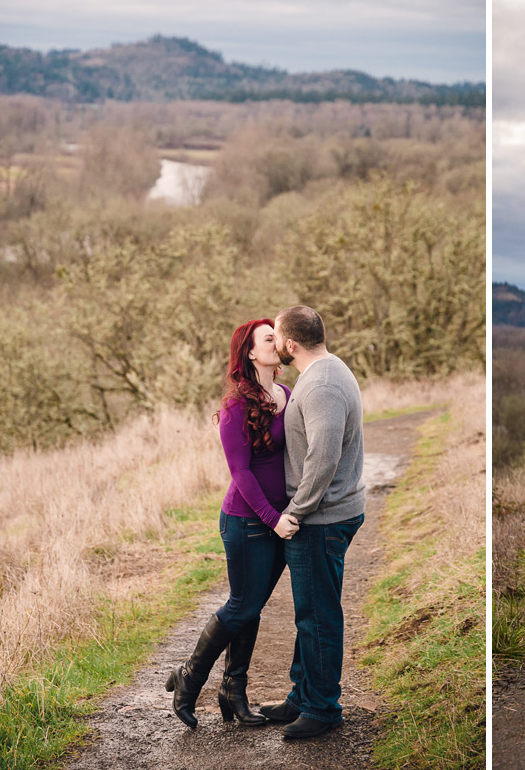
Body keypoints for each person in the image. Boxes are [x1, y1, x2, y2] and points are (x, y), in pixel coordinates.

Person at [165, 319, 293, 728]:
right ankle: (190, 677)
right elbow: (241, 473)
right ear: (251, 353)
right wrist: (273, 520)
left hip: (277, 521)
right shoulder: (236, 405)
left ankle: (233, 690)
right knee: (242, 605)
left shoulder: (287, 394)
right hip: (246, 520)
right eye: (269, 338)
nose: (277, 341)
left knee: (251, 608)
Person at [260, 304, 366, 739]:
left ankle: (323, 710)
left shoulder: (321, 384)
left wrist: (295, 512)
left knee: (318, 616)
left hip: (321, 519)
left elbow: (322, 457)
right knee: (311, 611)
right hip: (328, 513)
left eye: (277, 339)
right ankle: (303, 695)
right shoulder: (328, 368)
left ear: (290, 345)